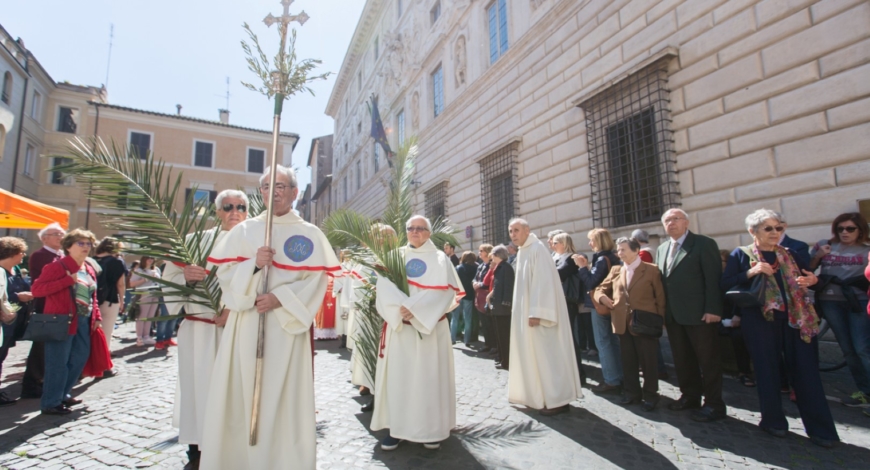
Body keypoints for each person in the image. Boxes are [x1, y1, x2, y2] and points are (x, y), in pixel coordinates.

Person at [201, 165, 340, 469]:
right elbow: (223, 277)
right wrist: (252, 264)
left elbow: (316, 282)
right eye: (266, 186)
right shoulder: (245, 230)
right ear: (260, 192)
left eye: (281, 186)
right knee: (242, 391)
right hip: (246, 325)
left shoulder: (309, 234)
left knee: (283, 396)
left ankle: (280, 460)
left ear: (295, 192)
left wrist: (281, 298)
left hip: (286, 328)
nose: (273, 192)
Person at [722, 209, 838, 447]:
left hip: (797, 319)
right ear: (752, 231)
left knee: (807, 373)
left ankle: (821, 430)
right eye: (768, 228)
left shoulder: (792, 252)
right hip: (760, 320)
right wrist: (751, 271)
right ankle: (773, 422)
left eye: (779, 228)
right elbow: (724, 284)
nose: (775, 232)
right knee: (767, 371)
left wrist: (812, 281)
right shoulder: (740, 254)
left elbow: (812, 277)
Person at [162, 189, 247, 469]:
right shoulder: (193, 242)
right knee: (198, 389)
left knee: (236, 390)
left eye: (241, 206)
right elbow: (170, 279)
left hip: (238, 330)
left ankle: (234, 445)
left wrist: (233, 308)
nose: (235, 211)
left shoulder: (254, 244)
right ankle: (197, 446)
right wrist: (185, 276)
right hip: (199, 331)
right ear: (217, 211)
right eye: (228, 206)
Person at [372, 215, 463, 451]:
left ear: (429, 233)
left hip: (430, 331)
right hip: (402, 329)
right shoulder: (395, 256)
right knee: (400, 379)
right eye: (411, 228)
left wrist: (416, 309)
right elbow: (384, 287)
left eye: (420, 228)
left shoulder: (441, 259)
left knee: (428, 380)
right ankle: (397, 429)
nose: (415, 232)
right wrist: (400, 310)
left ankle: (430, 430)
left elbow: (446, 293)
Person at [656, 208, 725, 422]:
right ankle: (690, 396)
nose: (671, 223)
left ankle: (714, 404)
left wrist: (713, 309)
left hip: (700, 314)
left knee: (708, 360)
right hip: (674, 315)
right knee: (682, 359)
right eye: (667, 220)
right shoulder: (662, 248)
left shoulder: (704, 244)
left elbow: (713, 279)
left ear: (686, 222)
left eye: (676, 219)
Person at [508, 219, 583, 416]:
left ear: (527, 230)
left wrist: (537, 312)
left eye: (516, 230)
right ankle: (536, 396)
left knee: (548, 356)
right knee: (533, 356)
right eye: (510, 231)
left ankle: (557, 400)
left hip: (539, 316)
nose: (513, 234)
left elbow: (544, 284)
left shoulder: (537, 249)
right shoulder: (524, 250)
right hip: (526, 314)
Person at [31, 229, 103, 415]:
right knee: (58, 362)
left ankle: (63, 393)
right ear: (69, 246)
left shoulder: (88, 267)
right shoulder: (57, 266)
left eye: (88, 244)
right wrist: (65, 281)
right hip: (61, 320)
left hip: (84, 320)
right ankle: (50, 402)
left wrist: (97, 316)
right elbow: (37, 290)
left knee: (79, 359)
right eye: (81, 243)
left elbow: (92, 295)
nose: (86, 247)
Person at [594, 237, 666, 411]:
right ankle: (632, 393)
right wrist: (603, 298)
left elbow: (660, 298)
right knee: (628, 361)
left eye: (623, 249)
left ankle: (650, 395)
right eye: (618, 250)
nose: (620, 253)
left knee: (648, 362)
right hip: (622, 323)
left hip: (645, 323)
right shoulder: (617, 270)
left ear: (635, 250)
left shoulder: (651, 270)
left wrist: (660, 321)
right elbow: (599, 289)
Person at [809, 212, 870, 407]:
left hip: (857, 302)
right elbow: (807, 269)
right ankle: (865, 391)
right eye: (840, 228)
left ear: (860, 230)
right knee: (847, 349)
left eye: (850, 228)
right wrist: (819, 255)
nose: (844, 232)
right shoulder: (824, 245)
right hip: (830, 301)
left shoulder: (867, 249)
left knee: (862, 348)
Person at [573, 228, 623, 395]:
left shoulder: (602, 259)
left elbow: (591, 282)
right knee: (613, 341)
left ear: (599, 241)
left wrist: (582, 267)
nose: (589, 243)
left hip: (600, 305)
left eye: (592, 240)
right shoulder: (614, 257)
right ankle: (618, 375)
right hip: (612, 304)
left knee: (603, 341)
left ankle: (611, 379)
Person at [22, 223, 65, 399]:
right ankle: (32, 384)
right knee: (41, 346)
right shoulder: (40, 255)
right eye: (55, 234)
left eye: (62, 234)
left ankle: (44, 380)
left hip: (59, 305)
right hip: (45, 305)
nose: (60, 237)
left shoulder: (61, 255)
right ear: (44, 238)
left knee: (52, 346)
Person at [1, 237, 31, 407]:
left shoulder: (16, 270)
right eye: (21, 252)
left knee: (3, 355)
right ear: (12, 253)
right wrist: (18, 297)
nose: (23, 255)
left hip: (12, 322)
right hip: (3, 321)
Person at [552, 233, 586, 384]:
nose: (552, 245)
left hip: (567, 301)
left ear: (563, 243)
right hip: (556, 300)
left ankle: (578, 373)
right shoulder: (555, 257)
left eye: (555, 243)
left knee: (570, 336)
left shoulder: (571, 258)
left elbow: (559, 273)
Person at [719, 249, 755, 388]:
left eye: (721, 261)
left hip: (735, 317)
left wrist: (736, 316)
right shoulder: (713, 278)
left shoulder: (735, 279)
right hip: (718, 317)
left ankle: (744, 372)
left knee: (738, 336)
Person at [94, 238, 127, 367]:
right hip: (109, 300)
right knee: (106, 334)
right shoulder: (117, 262)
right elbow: (120, 284)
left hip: (91, 300)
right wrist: (122, 300)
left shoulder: (91, 260)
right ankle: (103, 366)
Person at [486, 245, 514, 370]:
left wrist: (505, 304)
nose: (491, 257)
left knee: (504, 336)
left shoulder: (506, 267)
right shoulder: (500, 267)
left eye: (492, 255)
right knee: (500, 336)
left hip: (503, 308)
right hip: (498, 307)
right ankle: (503, 360)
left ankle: (507, 362)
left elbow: (508, 287)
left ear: (497, 255)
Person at [452, 251, 477, 345]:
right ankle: (467, 340)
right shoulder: (475, 268)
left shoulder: (458, 268)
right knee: (468, 318)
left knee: (455, 317)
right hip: (469, 295)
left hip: (458, 294)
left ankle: (452, 339)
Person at [473, 244, 494, 351]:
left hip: (488, 297)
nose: (479, 253)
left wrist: (480, 284)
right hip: (479, 297)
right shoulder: (480, 266)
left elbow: (491, 281)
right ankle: (487, 344)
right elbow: (474, 278)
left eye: (481, 250)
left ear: (487, 252)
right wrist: (474, 283)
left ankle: (493, 345)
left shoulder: (492, 265)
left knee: (491, 324)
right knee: (484, 323)